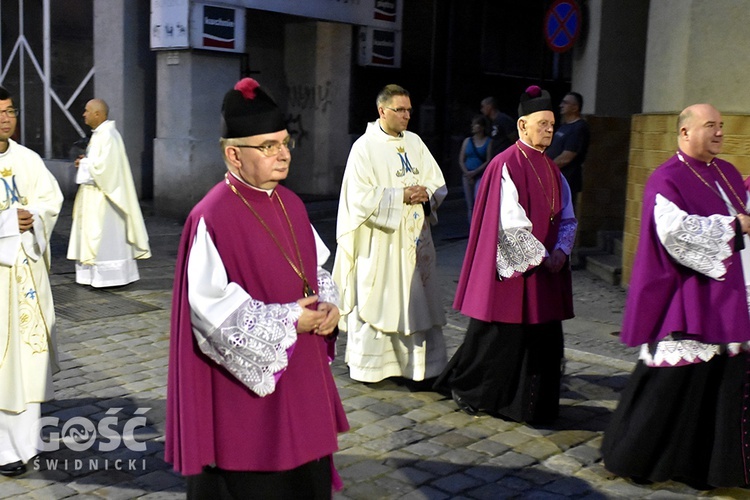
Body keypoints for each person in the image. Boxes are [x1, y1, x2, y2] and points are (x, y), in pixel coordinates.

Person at [166, 78, 348, 499]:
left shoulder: (292, 202)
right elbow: (209, 310)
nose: (283, 154)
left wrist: (330, 305)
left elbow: (316, 269)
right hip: (247, 389)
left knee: (307, 476)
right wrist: (289, 320)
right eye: (268, 146)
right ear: (233, 154)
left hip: (302, 370)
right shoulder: (211, 215)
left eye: (285, 143)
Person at [601, 103, 750, 489]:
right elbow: (675, 233)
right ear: (685, 133)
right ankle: (638, 457)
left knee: (716, 385)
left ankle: (705, 466)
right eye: (709, 126)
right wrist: (735, 226)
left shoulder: (727, 172)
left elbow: (738, 202)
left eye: (721, 126)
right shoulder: (666, 179)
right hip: (685, 299)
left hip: (725, 298)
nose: (719, 132)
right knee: (670, 388)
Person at [435, 85, 577, 423]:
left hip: (546, 271)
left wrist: (561, 250)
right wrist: (543, 256)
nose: (548, 129)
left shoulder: (554, 169)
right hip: (514, 272)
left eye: (552, 124)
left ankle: (529, 405)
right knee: (499, 342)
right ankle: (472, 391)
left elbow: (568, 216)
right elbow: (509, 225)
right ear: (522, 126)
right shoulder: (505, 164)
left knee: (543, 340)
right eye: (541, 123)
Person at [333, 84, 448, 385]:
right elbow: (357, 196)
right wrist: (400, 196)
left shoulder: (415, 142)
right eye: (400, 110)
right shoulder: (364, 147)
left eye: (409, 110)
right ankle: (373, 367)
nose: (407, 115)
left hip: (415, 238)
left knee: (418, 297)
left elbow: (437, 181)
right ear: (382, 111)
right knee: (381, 297)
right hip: (381, 242)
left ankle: (420, 368)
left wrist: (427, 193)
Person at [0, 86, 63, 477]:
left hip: (26, 278)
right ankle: (4, 447)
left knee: (29, 358)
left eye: (10, 111)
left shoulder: (28, 159)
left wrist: (34, 218)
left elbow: (49, 201)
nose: (6, 118)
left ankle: (28, 441)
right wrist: (8, 222)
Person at [67, 98, 150, 287]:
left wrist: (85, 163)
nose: (84, 114)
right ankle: (91, 276)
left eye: (87, 111)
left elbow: (106, 169)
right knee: (92, 235)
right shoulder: (99, 135)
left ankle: (110, 278)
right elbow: (99, 162)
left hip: (105, 200)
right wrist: (86, 160)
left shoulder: (109, 136)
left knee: (104, 238)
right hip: (94, 196)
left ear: (98, 114)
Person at [545, 92, 590, 212]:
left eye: (565, 103)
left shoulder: (579, 128)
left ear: (575, 107)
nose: (561, 105)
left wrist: (545, 169)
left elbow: (567, 157)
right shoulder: (564, 126)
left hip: (566, 181)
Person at [458, 115, 493, 222]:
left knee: (479, 202)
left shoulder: (488, 141)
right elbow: (461, 159)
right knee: (470, 206)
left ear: (482, 127)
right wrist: (467, 173)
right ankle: (472, 230)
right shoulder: (467, 141)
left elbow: (488, 160)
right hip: (467, 175)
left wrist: (475, 172)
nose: (473, 127)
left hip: (480, 175)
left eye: (476, 124)